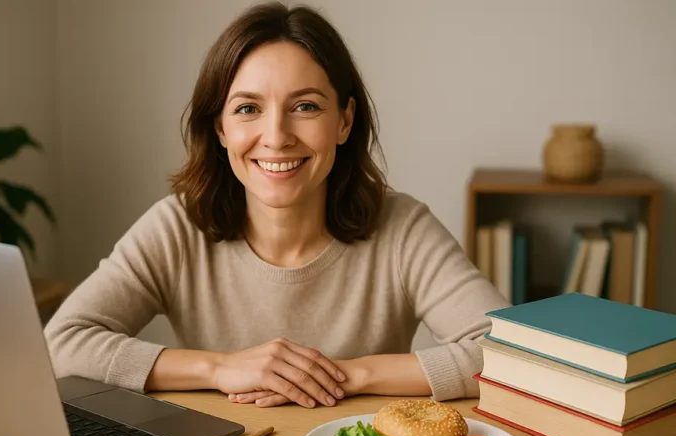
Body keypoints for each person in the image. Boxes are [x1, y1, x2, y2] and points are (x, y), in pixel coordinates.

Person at [44, 1, 509, 409]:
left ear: (344, 121)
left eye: (305, 107)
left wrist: (345, 375)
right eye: (247, 109)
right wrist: (219, 368)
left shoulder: (403, 227)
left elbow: (511, 356)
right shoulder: (178, 227)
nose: (276, 137)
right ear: (221, 128)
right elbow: (61, 343)